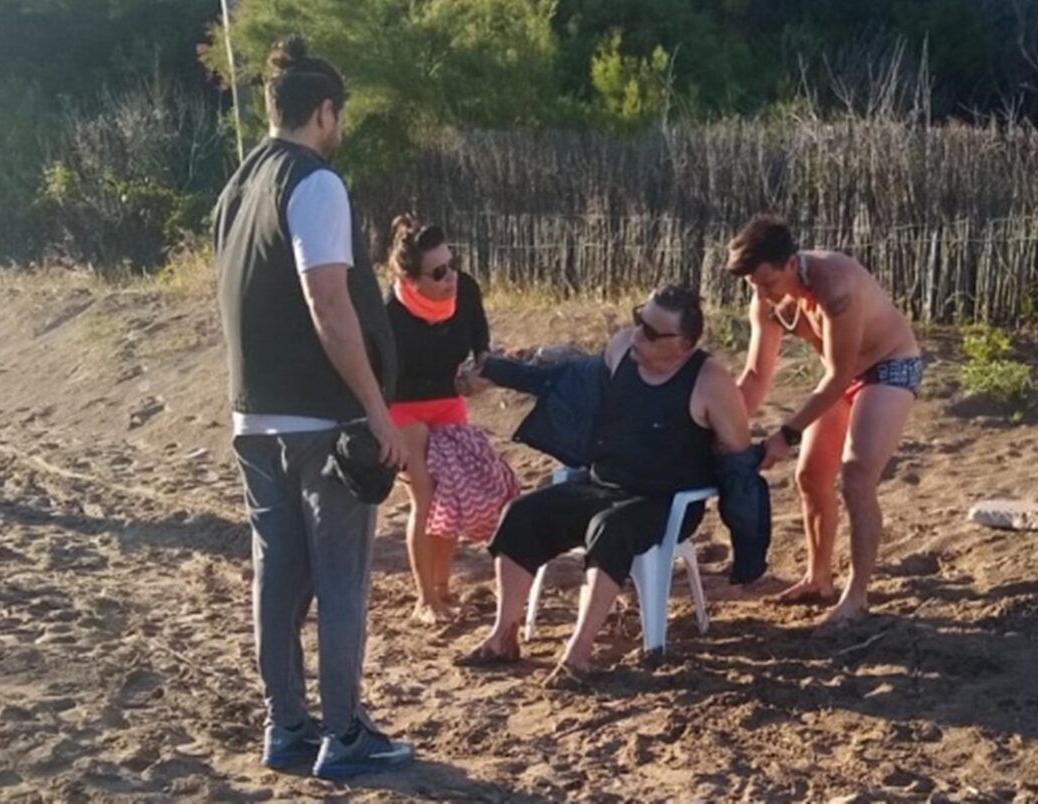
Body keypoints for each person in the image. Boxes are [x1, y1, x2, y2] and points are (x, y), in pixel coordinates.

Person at [213, 35, 413, 779]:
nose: (339, 130)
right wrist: (376, 409)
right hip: (321, 423)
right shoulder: (315, 181)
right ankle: (345, 735)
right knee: (340, 584)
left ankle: (287, 728)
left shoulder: (236, 187)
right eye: (339, 117)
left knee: (277, 580)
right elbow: (327, 301)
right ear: (323, 112)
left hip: (253, 417)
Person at [457, 286, 750, 682]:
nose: (636, 334)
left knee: (610, 528)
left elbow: (737, 455)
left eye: (649, 331)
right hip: (603, 483)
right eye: (637, 320)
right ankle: (502, 637)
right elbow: (560, 381)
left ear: (682, 344)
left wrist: (749, 529)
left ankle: (579, 654)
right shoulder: (620, 351)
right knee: (522, 514)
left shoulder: (710, 381)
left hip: (665, 502)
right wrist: (498, 372)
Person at [726, 215, 923, 626]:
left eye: (769, 283)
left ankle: (856, 595)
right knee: (810, 476)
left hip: (888, 367)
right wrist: (725, 425)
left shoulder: (836, 289)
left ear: (792, 264)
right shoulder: (765, 299)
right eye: (754, 286)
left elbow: (837, 376)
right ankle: (818, 578)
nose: (763, 294)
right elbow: (757, 376)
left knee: (855, 475)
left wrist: (786, 434)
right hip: (842, 376)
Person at [382, 216, 508, 625]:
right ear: (410, 278)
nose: (450, 276)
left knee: (452, 490)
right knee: (427, 493)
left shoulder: (464, 289)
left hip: (447, 398)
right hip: (404, 404)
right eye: (438, 272)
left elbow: (480, 341)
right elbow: (383, 375)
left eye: (451, 264)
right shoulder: (389, 314)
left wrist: (483, 371)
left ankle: (442, 588)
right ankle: (424, 599)